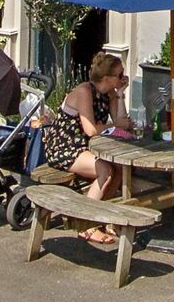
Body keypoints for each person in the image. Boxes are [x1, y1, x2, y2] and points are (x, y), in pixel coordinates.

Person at [37, 52, 130, 237]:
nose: (124, 78)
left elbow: (122, 121)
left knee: (120, 168)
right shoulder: (84, 91)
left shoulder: (109, 93)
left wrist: (120, 95)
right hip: (66, 147)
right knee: (106, 170)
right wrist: (116, 125)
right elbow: (91, 130)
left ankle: (102, 217)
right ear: (106, 78)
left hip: (87, 147)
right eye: (119, 75)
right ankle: (85, 224)